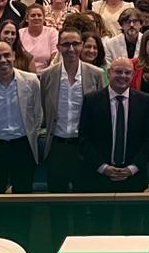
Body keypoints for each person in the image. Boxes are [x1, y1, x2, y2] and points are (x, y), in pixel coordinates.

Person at [40, 27, 107, 193]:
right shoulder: (47, 75)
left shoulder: (96, 74)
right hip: (57, 145)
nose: (71, 49)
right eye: (66, 44)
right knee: (56, 201)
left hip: (85, 145)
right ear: (58, 47)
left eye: (75, 44)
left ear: (82, 45)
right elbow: (42, 108)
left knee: (84, 201)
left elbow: (101, 110)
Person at [0, 42, 44, 194]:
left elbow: (38, 114)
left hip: (23, 144)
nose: (3, 60)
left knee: (24, 193)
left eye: (6, 55)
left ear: (13, 55)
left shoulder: (31, 81)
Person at [82, 58, 149, 197]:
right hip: (99, 177)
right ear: (109, 73)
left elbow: (148, 139)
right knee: (102, 219)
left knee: (131, 219)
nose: (123, 76)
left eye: (127, 72)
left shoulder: (144, 100)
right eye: (118, 72)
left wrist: (132, 168)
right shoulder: (92, 100)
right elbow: (85, 139)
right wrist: (103, 168)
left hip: (134, 177)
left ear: (133, 75)